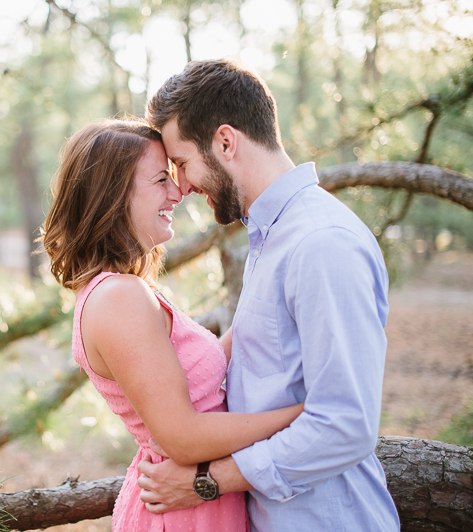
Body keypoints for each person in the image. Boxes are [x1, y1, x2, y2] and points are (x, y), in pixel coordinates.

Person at [137, 59, 400, 531]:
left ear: (225, 141)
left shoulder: (321, 244)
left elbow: (344, 424)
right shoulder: (271, 238)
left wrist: (209, 481)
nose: (183, 186)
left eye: (182, 163)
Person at [41, 118, 304, 531]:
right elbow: (183, 436)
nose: (179, 191)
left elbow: (197, 382)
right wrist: (304, 414)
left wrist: (276, 290)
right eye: (162, 178)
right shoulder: (117, 298)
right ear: (113, 195)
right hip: (181, 511)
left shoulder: (125, 291)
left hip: (199, 503)